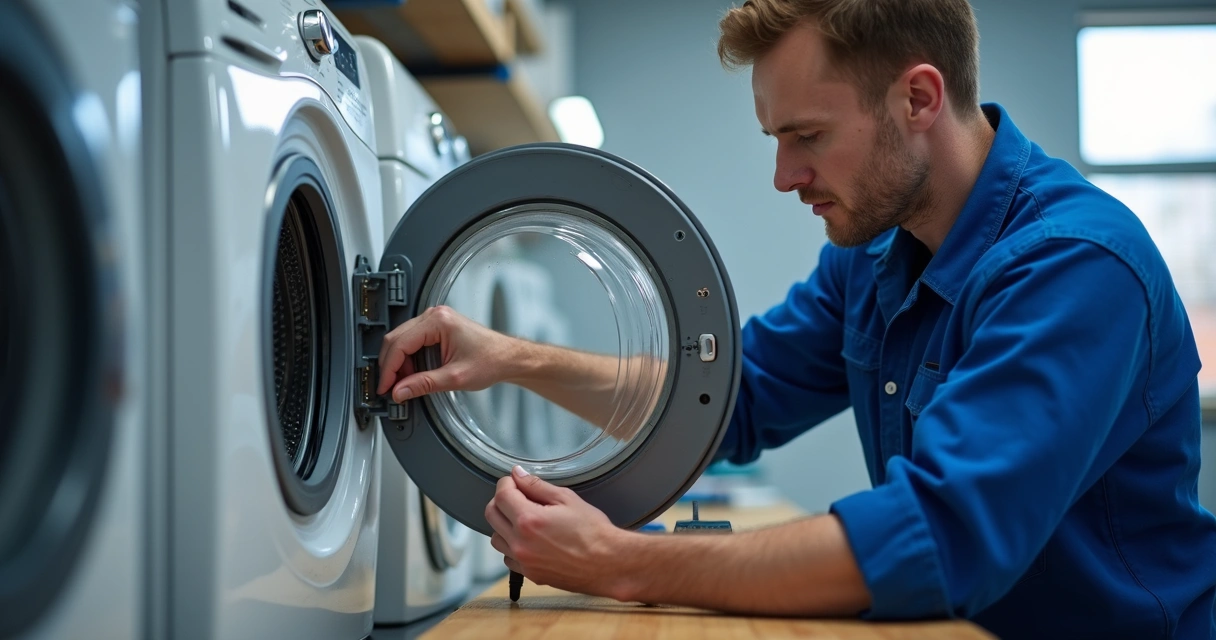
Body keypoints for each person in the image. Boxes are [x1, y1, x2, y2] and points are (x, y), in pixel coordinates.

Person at [375, 0, 1216, 636]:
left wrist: (619, 562)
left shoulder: (1073, 265)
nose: (786, 175)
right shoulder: (877, 254)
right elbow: (726, 401)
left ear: (918, 97)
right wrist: (511, 356)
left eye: (806, 135)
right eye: (777, 138)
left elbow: (937, 536)